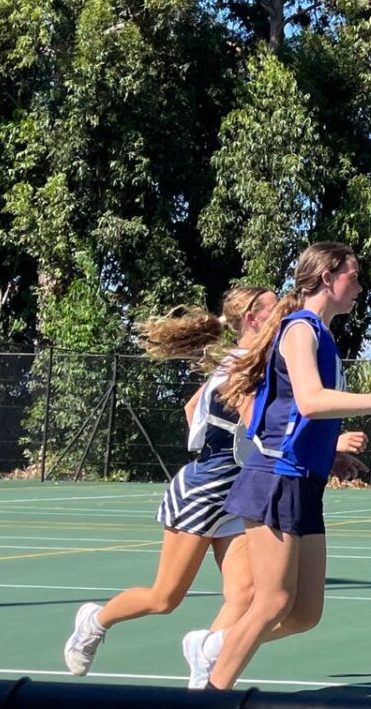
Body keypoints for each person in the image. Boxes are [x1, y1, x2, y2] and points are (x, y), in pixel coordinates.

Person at [197, 242, 371, 690]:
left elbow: (297, 415)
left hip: (305, 481)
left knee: (305, 613)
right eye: (354, 276)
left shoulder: (321, 335)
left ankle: (216, 646)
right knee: (272, 602)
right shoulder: (299, 329)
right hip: (275, 478)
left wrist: (329, 455)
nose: (360, 287)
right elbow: (310, 401)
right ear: (327, 278)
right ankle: (212, 691)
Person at [63, 288, 277, 677]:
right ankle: (94, 621)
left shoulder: (244, 362)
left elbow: (193, 407)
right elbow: (258, 426)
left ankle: (205, 669)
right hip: (201, 492)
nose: (282, 314)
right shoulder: (241, 365)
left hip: (236, 493)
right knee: (164, 598)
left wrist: (217, 442)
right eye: (274, 308)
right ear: (253, 319)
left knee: (245, 594)